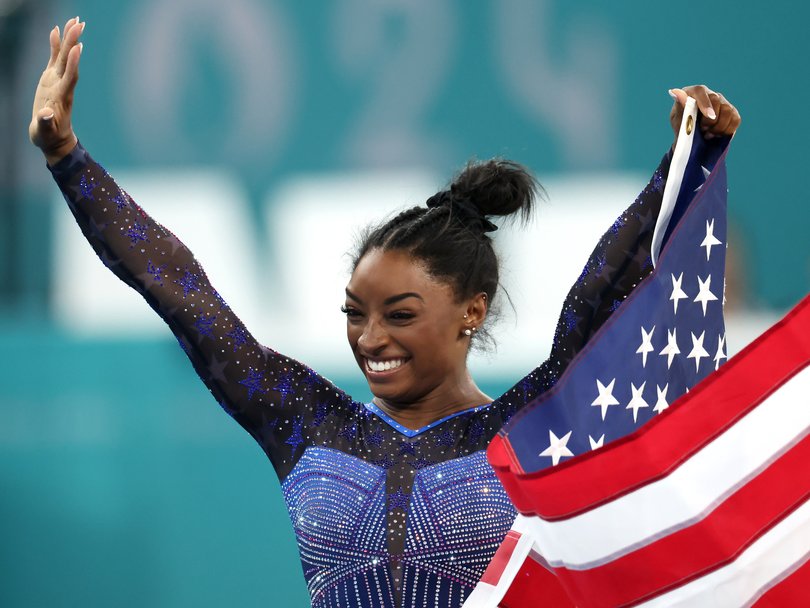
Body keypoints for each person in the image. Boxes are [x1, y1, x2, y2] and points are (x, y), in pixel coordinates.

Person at [30, 17, 740, 608]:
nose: (371, 339)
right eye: (355, 312)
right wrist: (67, 157)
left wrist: (682, 167)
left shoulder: (527, 427)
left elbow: (600, 298)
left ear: (471, 311)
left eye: (399, 314)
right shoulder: (305, 421)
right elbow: (181, 291)